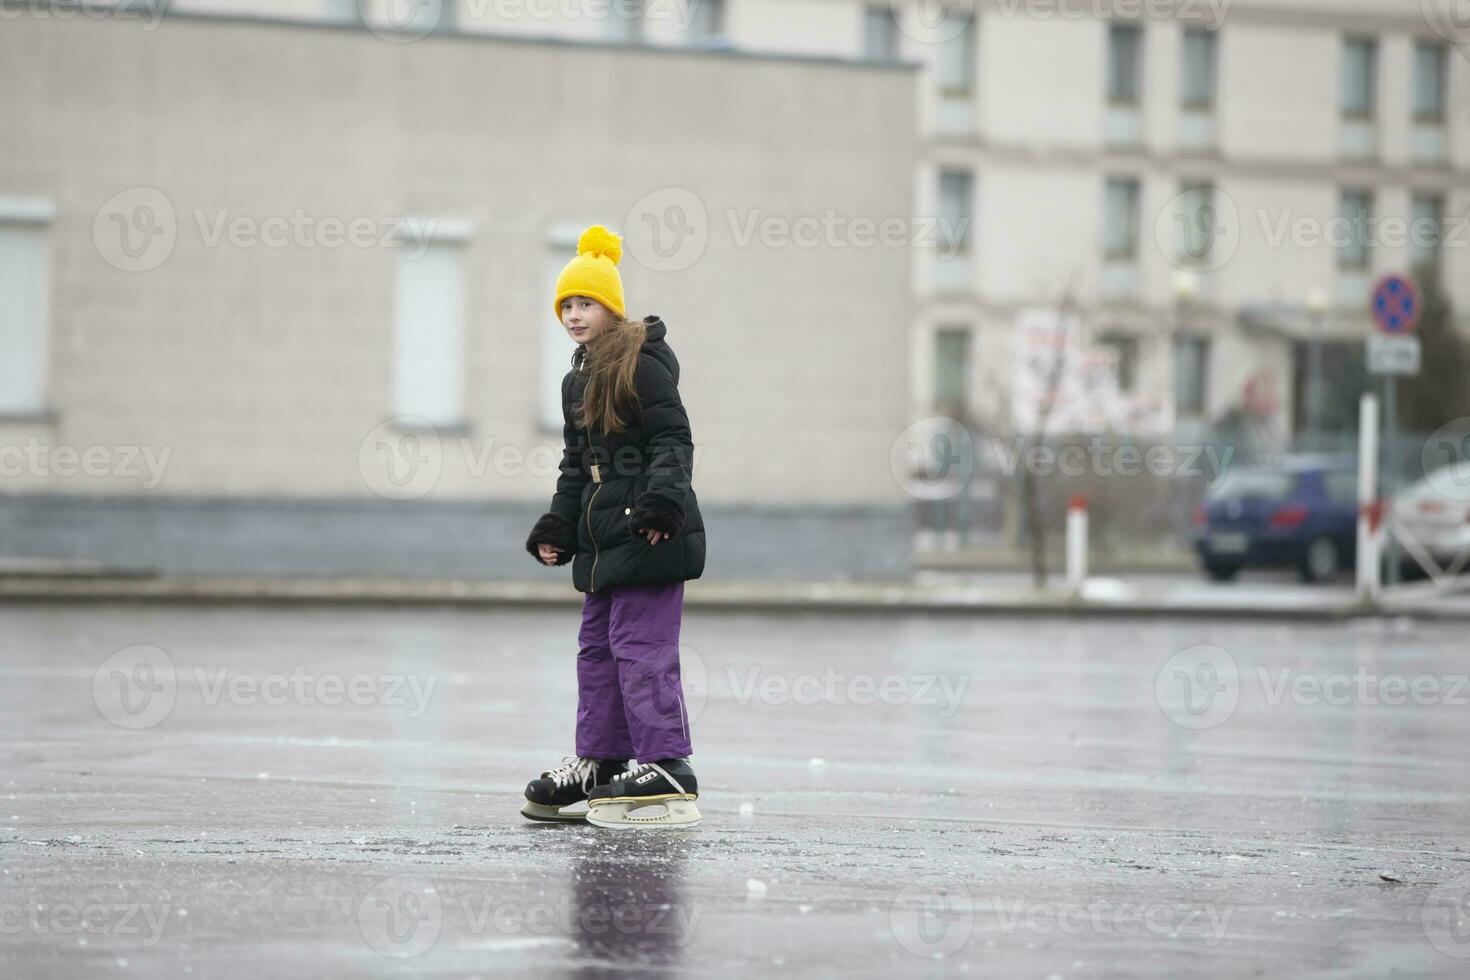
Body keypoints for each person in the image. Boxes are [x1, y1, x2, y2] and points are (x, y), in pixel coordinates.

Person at [521, 224, 706, 830]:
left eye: (585, 304)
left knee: (642, 648)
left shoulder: (642, 362)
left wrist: (661, 505)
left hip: (651, 535)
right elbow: (577, 466)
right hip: (603, 544)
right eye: (566, 305)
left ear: (611, 308)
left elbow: (673, 438)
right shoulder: (577, 378)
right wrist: (559, 525)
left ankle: (669, 766)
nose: (574, 315)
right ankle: (601, 764)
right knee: (597, 651)